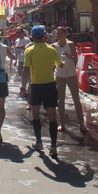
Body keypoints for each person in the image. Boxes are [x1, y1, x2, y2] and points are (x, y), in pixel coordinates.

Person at [21, 25, 63, 157]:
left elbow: (26, 69)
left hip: (36, 86)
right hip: (50, 85)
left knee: (36, 114)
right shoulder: (51, 50)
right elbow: (60, 65)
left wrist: (23, 87)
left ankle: (39, 141)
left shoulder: (29, 51)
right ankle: (54, 146)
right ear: (44, 36)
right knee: (52, 116)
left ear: (32, 37)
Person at [53, 26, 87, 134]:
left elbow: (75, 59)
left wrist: (68, 55)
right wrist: (56, 64)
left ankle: (81, 123)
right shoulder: (54, 46)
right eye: (57, 33)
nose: (59, 35)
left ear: (65, 34)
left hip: (71, 74)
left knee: (76, 99)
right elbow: (52, 60)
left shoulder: (70, 44)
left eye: (61, 33)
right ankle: (62, 123)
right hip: (59, 74)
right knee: (60, 100)